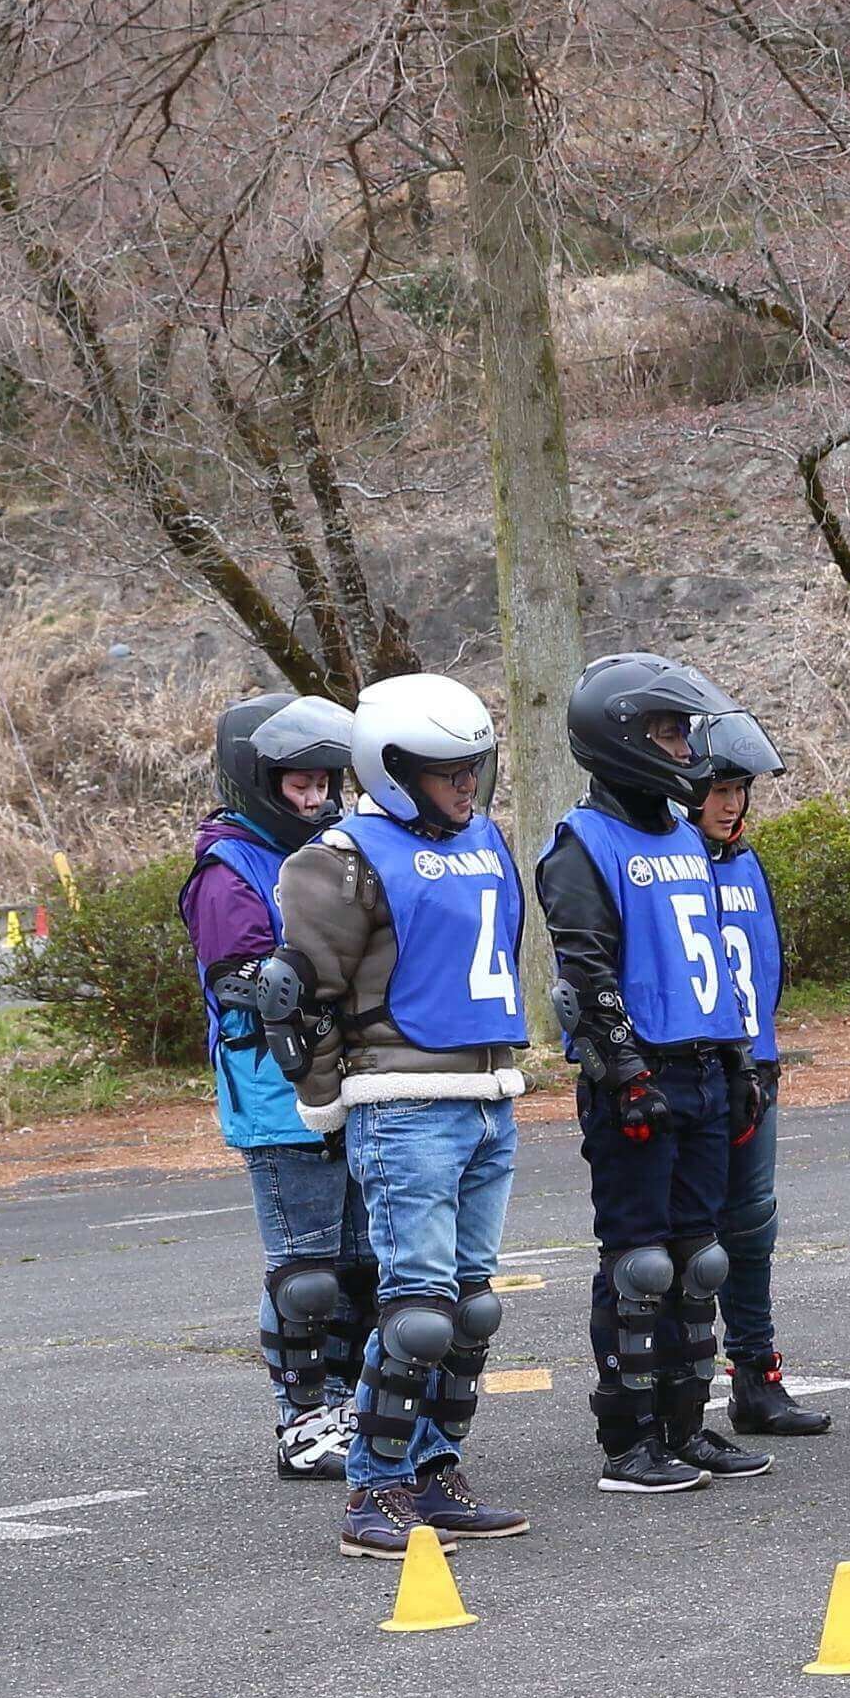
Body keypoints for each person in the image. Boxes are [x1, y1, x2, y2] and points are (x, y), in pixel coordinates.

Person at [279, 673, 539, 1557]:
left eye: (472, 767)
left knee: (470, 1310)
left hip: (488, 1095)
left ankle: (435, 1470)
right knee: (417, 1311)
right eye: (443, 771)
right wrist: (324, 1103)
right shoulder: (337, 859)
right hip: (404, 1103)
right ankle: (374, 1492)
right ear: (390, 768)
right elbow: (303, 999)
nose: (465, 785)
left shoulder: (486, 841)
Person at [537, 652, 768, 1495]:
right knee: (641, 1263)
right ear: (625, 738)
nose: (683, 749)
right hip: (637, 1077)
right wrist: (626, 1072)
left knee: (699, 1258)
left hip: (705, 1067)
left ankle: (685, 1424)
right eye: (670, 732)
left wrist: (737, 1058)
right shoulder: (582, 844)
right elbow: (587, 973)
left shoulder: (685, 838)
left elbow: (707, 958)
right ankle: (628, 1440)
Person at [186, 693, 376, 1479]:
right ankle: (302, 1419)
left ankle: (353, 1402)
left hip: (357, 1082)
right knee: (306, 1273)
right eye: (299, 783)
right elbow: (250, 983)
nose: (317, 797)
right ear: (257, 778)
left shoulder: (335, 849)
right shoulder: (228, 868)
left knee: (363, 1265)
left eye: (327, 781)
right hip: (278, 1094)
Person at [696, 706, 832, 1440]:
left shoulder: (745, 861)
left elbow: (766, 968)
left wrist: (761, 1058)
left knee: (752, 1228)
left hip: (755, 1066)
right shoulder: (666, 862)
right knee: (686, 1237)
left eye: (740, 788)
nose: (731, 802)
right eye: (718, 788)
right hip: (696, 1075)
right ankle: (672, 1388)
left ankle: (755, 1377)